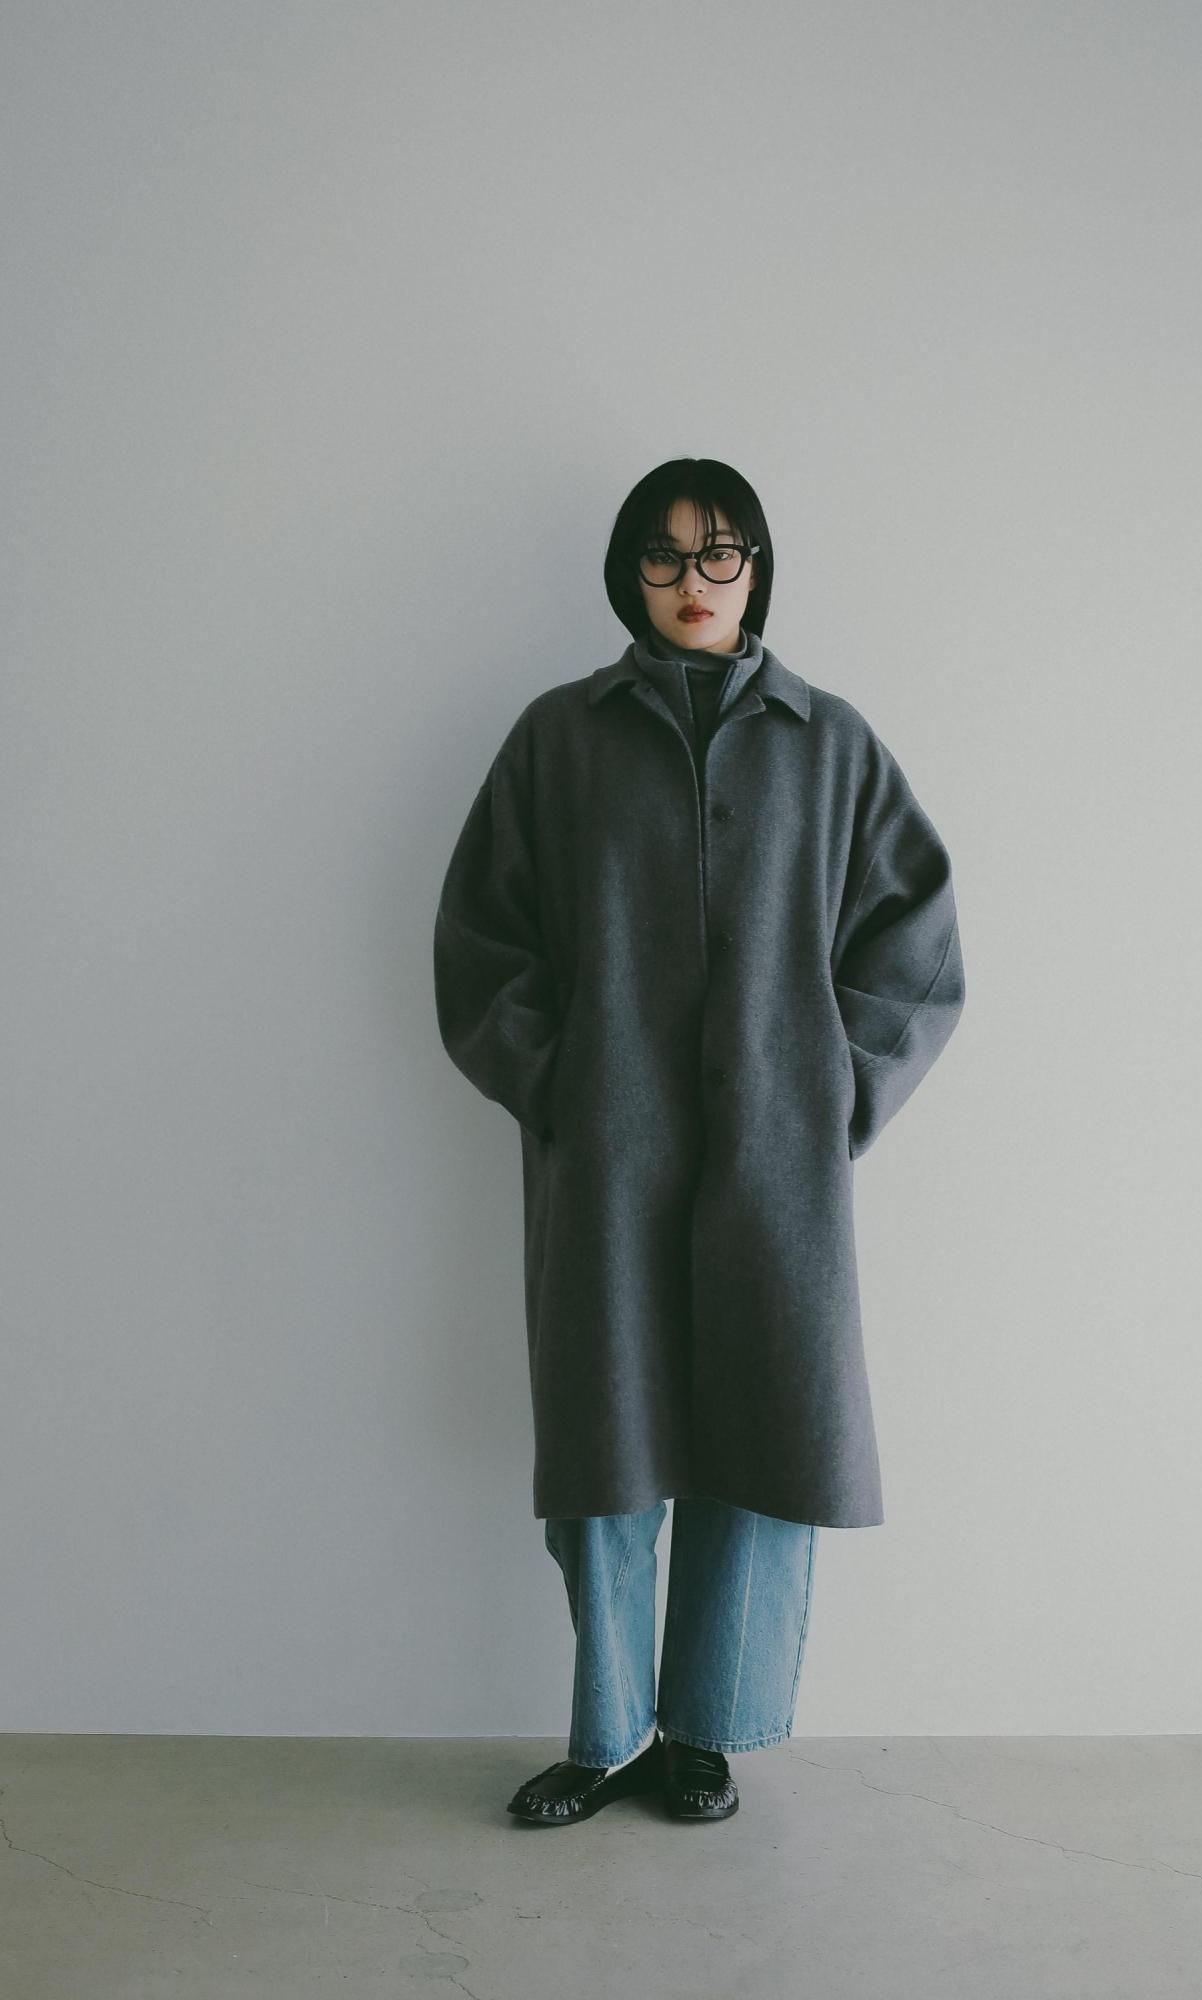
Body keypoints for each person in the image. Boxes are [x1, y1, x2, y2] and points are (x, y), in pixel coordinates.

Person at [433, 457, 966, 1825]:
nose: (693, 580)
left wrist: (835, 1092)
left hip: (775, 1170)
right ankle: (608, 1734)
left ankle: (707, 1734)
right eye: (665, 555)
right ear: (630, 573)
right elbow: (481, 942)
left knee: (761, 1432)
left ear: (756, 569)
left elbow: (916, 941)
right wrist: (563, 1084)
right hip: (607, 1163)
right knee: (608, 1453)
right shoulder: (557, 740)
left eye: (719, 553)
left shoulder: (830, 745)